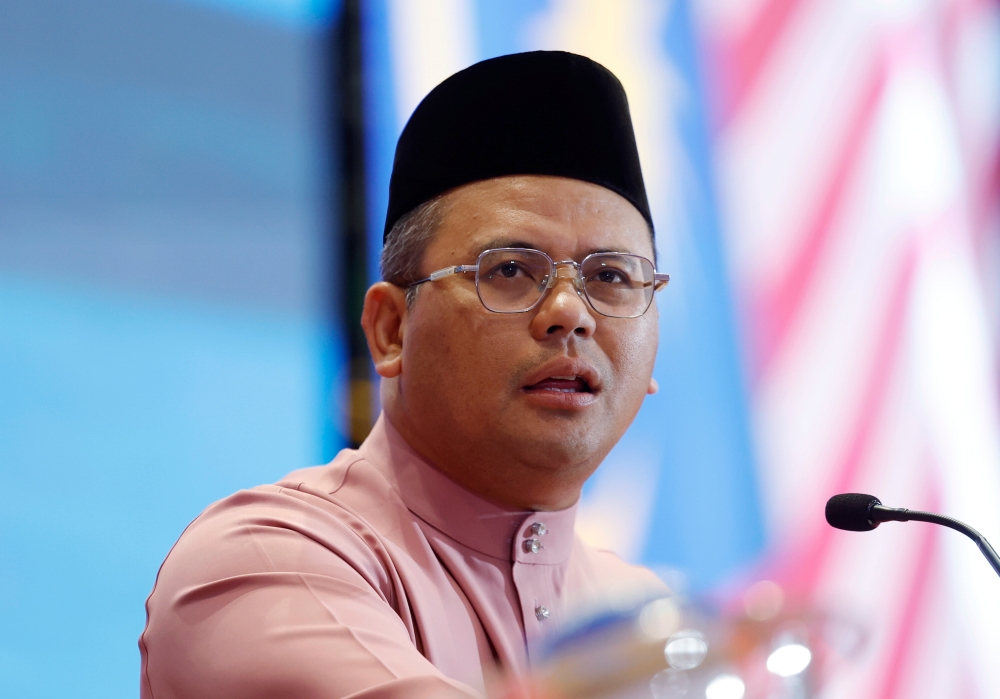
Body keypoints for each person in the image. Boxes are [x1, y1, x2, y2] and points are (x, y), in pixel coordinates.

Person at [140, 50, 671, 699]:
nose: (570, 313)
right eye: (509, 270)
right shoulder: (265, 560)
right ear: (391, 329)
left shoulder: (646, 624)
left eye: (611, 277)